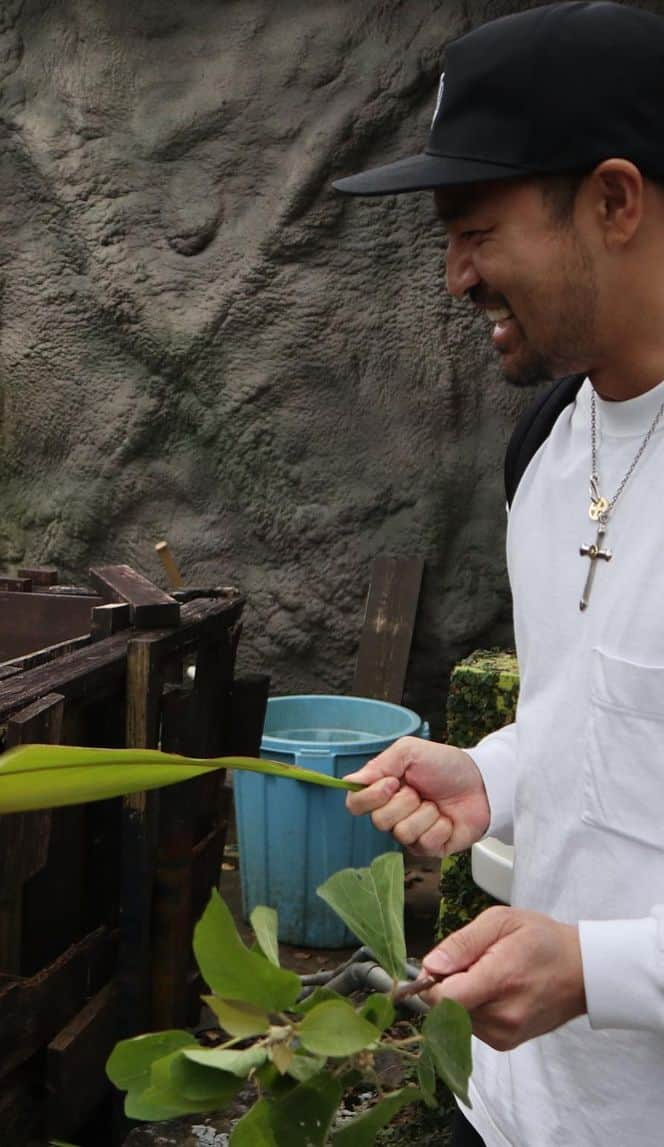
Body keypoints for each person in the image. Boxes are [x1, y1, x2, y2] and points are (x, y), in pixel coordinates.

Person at [332, 3, 664, 1145]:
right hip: (517, 1104)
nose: (453, 276)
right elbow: (603, 718)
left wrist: (599, 966)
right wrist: (494, 774)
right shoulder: (546, 445)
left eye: (475, 230)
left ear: (615, 201)